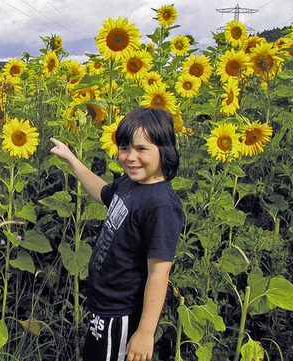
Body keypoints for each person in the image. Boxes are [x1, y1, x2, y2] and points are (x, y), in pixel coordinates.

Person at [50, 107, 183, 361]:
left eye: (142, 149)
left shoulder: (161, 205)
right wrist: (72, 160)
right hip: (104, 305)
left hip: (122, 313)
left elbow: (159, 272)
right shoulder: (130, 183)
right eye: (125, 148)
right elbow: (101, 192)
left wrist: (145, 332)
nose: (131, 157)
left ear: (164, 150)